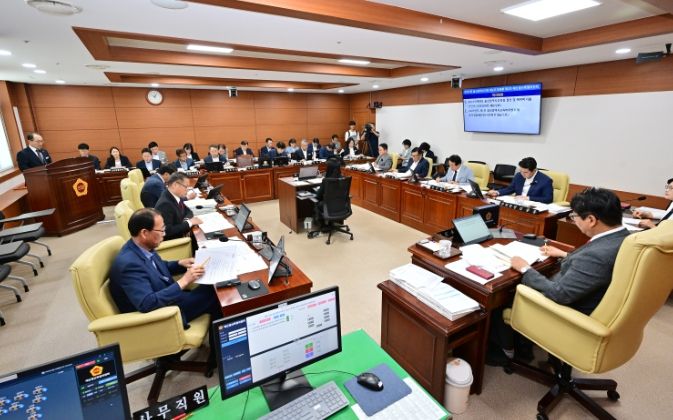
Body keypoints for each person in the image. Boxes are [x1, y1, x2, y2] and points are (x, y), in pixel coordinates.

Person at [488, 188, 629, 365]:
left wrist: (524, 268)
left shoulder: (597, 255)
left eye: (574, 216)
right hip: (592, 298)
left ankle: (506, 351)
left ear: (591, 220)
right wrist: (565, 255)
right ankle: (522, 343)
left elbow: (559, 293)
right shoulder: (624, 238)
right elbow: (595, 269)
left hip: (568, 312)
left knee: (499, 298)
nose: (573, 220)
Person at [108, 208, 221, 361]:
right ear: (144, 233)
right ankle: (218, 357)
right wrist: (184, 281)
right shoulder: (128, 264)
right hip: (162, 316)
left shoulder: (140, 247)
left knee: (212, 287)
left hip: (168, 298)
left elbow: (157, 268)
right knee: (216, 293)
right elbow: (148, 303)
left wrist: (180, 263)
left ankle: (217, 349)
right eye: (161, 230)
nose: (164, 234)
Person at [154, 173, 203, 241]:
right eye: (186, 187)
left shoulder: (175, 195)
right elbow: (167, 231)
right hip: (175, 241)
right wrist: (190, 222)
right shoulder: (165, 204)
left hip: (183, 232)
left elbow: (187, 210)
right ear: (175, 185)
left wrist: (187, 220)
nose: (187, 190)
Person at [486, 157, 553, 204]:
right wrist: (497, 192)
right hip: (518, 203)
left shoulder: (545, 180)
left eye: (525, 172)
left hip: (532, 206)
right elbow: (510, 189)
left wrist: (528, 198)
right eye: (521, 171)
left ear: (534, 170)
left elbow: (548, 199)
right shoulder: (519, 175)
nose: (522, 174)